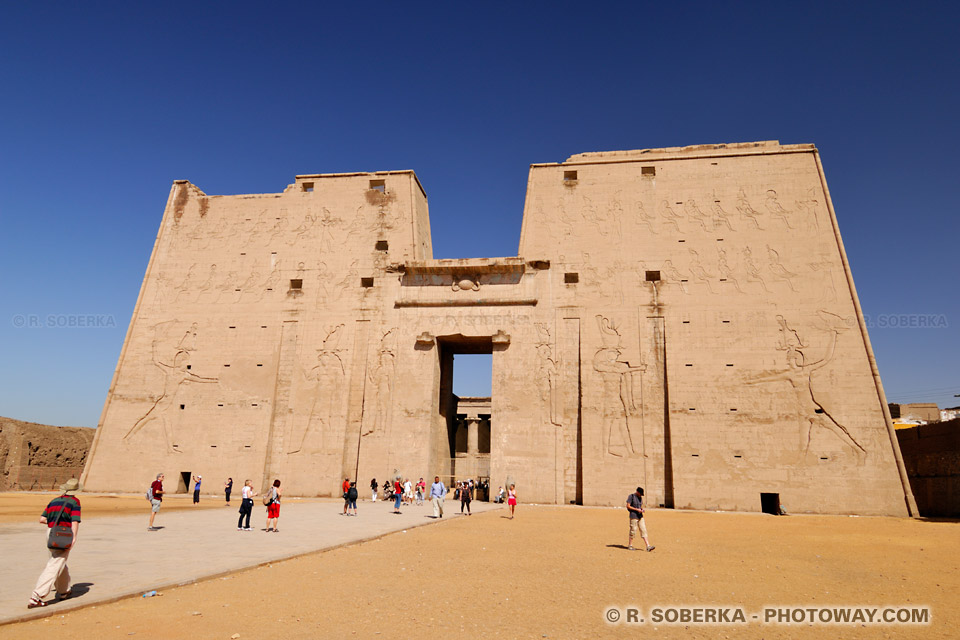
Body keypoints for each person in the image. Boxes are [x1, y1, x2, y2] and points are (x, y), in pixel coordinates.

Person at [28, 479, 82, 608]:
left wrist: (54, 524)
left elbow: (42, 519)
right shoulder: (75, 502)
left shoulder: (54, 501)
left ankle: (64, 591)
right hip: (64, 534)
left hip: (51, 532)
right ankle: (37, 596)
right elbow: (74, 521)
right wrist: (73, 537)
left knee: (58, 561)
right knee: (54, 564)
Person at [625, 486, 655, 552]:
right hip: (633, 516)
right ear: (637, 492)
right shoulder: (631, 496)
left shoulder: (640, 498)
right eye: (640, 493)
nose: (640, 495)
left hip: (640, 516)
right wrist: (636, 509)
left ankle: (648, 546)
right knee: (633, 530)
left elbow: (640, 506)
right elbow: (628, 506)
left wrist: (641, 509)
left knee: (643, 530)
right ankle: (630, 545)